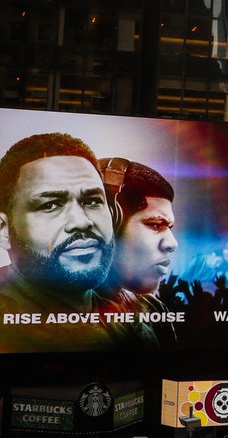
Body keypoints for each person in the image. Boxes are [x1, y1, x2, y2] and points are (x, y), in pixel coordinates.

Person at [0, 133, 155, 351]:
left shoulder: (138, 311)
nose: (81, 222)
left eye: (92, 201)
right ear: (3, 229)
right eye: (51, 205)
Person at [98, 159, 178, 294]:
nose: (172, 244)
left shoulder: (153, 308)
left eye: (169, 227)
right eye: (155, 225)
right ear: (109, 223)